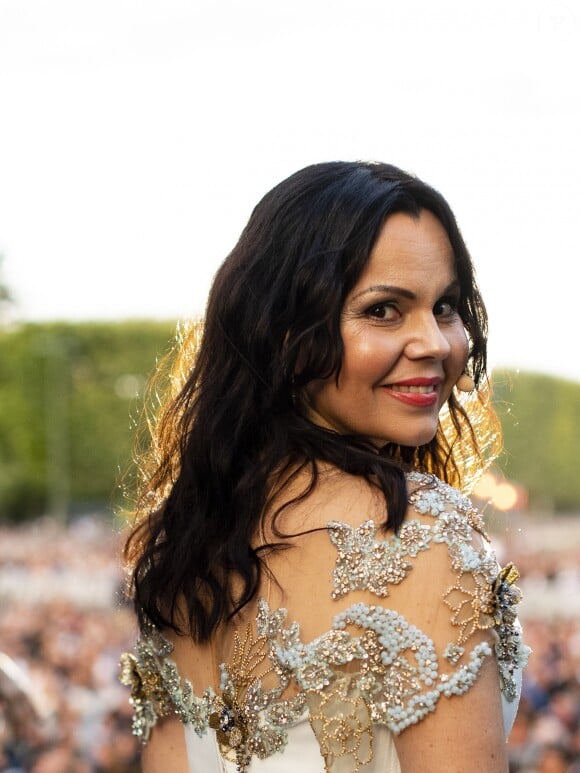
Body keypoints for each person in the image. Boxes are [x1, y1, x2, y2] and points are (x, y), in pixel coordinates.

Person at [119, 161, 530, 772]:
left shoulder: (190, 542)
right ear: (285, 331)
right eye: (384, 310)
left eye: (445, 306)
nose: (437, 343)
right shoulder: (424, 534)